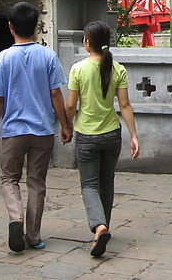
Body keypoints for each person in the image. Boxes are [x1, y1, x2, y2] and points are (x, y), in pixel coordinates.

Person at [0, 1, 73, 252]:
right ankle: (33, 236)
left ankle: (16, 218)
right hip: (43, 130)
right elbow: (56, 94)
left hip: (13, 130)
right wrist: (65, 125)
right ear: (36, 26)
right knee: (36, 182)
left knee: (9, 179)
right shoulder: (48, 55)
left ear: (10, 26)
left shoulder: (3, 58)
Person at [65, 20, 139, 258]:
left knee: (89, 184)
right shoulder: (118, 68)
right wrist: (134, 136)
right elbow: (125, 105)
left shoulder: (78, 69)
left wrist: (65, 126)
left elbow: (70, 105)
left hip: (87, 135)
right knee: (107, 182)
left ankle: (99, 226)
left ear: (88, 42)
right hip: (112, 134)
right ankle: (104, 227)